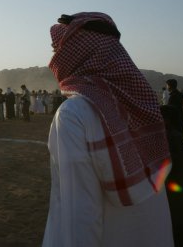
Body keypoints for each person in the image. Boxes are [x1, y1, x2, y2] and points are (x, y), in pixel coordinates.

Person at [43, 12, 173, 246]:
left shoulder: (74, 114)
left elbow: (80, 217)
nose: (54, 58)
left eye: (57, 50)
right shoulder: (140, 106)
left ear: (77, 52)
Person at [161, 105, 183, 247]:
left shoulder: (170, 137)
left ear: (166, 120)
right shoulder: (175, 135)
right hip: (182, 189)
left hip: (174, 191)